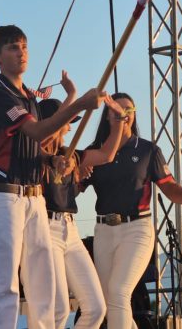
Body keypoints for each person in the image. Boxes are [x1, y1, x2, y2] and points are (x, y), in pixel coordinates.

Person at [0, 25, 106, 329]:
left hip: (35, 197)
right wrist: (78, 102)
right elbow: (37, 131)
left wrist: (52, 159)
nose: (21, 52)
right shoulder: (0, 95)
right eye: (13, 47)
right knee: (6, 285)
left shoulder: (28, 97)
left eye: (24, 46)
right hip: (5, 196)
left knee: (44, 286)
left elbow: (35, 146)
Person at [81, 92, 182, 329]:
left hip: (136, 228)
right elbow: (73, 188)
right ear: (107, 116)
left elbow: (168, 185)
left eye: (129, 110)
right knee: (107, 299)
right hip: (103, 231)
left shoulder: (148, 150)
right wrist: (73, 172)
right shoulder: (95, 151)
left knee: (119, 291)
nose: (123, 114)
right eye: (117, 109)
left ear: (134, 115)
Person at [39, 87, 124, 328]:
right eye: (66, 122)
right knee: (58, 310)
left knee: (96, 308)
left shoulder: (71, 155)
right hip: (45, 228)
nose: (69, 128)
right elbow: (40, 142)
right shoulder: (32, 155)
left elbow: (106, 155)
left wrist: (119, 121)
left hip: (70, 229)